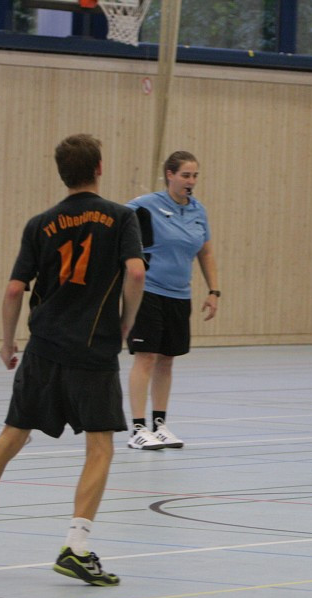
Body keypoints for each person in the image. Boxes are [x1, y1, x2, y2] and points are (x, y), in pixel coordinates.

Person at [0, 134, 145, 586]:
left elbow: (13, 290)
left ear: (63, 173)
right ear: (99, 167)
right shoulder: (121, 218)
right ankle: (75, 547)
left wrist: (7, 343)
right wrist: (124, 325)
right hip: (91, 349)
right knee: (100, 446)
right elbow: (136, 273)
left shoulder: (39, 224)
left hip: (43, 348)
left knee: (10, 437)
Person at [125, 151, 220, 451]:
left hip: (180, 294)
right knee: (147, 357)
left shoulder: (198, 211)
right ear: (169, 174)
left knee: (167, 360)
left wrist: (214, 291)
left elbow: (205, 252)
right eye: (185, 175)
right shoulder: (146, 205)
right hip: (148, 292)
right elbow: (114, 224)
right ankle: (138, 428)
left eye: (194, 176)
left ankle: (160, 424)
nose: (190, 182)